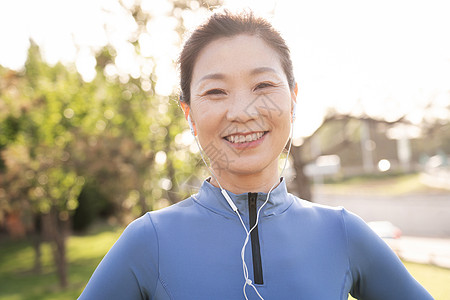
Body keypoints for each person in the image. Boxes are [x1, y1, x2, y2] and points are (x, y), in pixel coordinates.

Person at [78, 9, 434, 300]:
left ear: (293, 99)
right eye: (216, 91)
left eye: (263, 85)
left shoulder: (341, 232)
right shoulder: (149, 240)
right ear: (189, 115)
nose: (242, 111)